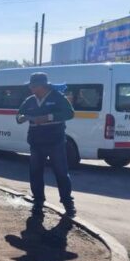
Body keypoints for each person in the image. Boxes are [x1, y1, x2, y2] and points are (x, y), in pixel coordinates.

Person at [16, 72, 76, 217]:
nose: (31, 89)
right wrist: (22, 117)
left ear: (41, 86)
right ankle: (38, 202)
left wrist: (48, 117)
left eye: (33, 86)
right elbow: (18, 116)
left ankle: (68, 205)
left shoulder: (57, 98)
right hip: (36, 143)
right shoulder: (30, 101)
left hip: (55, 141)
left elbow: (70, 113)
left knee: (61, 173)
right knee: (35, 172)